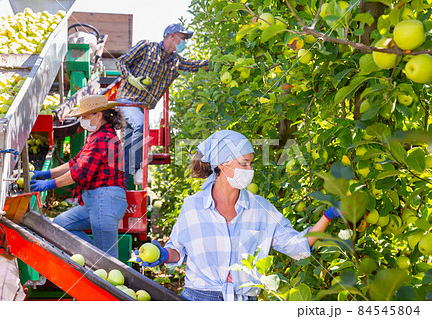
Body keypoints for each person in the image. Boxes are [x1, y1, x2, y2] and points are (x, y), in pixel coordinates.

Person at [133, 130, 341, 301]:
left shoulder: (261, 209)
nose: (250, 169)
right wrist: (163, 255)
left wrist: (329, 215)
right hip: (198, 300)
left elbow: (298, 247)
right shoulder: (193, 206)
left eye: (251, 163)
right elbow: (178, 250)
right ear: (222, 165)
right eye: (244, 163)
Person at [30, 95, 128, 259]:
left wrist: (49, 184)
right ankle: (96, 259)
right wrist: (46, 174)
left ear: (98, 115)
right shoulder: (96, 136)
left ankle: (102, 264)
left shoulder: (103, 138)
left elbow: (80, 173)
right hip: (96, 202)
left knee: (109, 261)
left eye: (85, 116)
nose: (82, 120)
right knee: (61, 225)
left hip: (105, 200)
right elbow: (74, 163)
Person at [115, 23, 209, 186]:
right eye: (183, 38)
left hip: (142, 107)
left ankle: (122, 180)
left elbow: (197, 65)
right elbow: (122, 61)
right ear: (172, 36)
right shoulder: (147, 47)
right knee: (139, 127)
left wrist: (223, 62)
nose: (185, 42)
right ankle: (137, 170)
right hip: (127, 100)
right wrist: (131, 79)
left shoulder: (176, 62)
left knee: (134, 139)